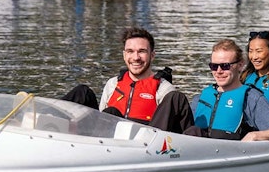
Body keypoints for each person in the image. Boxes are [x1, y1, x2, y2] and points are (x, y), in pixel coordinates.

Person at [63, 27, 194, 134]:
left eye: (142, 51)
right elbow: (101, 117)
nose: (136, 57)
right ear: (124, 55)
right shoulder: (113, 83)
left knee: (177, 97)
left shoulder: (164, 89)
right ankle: (49, 130)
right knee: (83, 92)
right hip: (107, 139)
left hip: (145, 144)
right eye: (130, 51)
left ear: (152, 55)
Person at [188, 39, 269, 143]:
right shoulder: (201, 97)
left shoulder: (251, 98)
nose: (218, 71)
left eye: (225, 66)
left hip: (230, 152)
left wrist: (254, 135)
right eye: (214, 66)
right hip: (197, 150)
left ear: (240, 65)